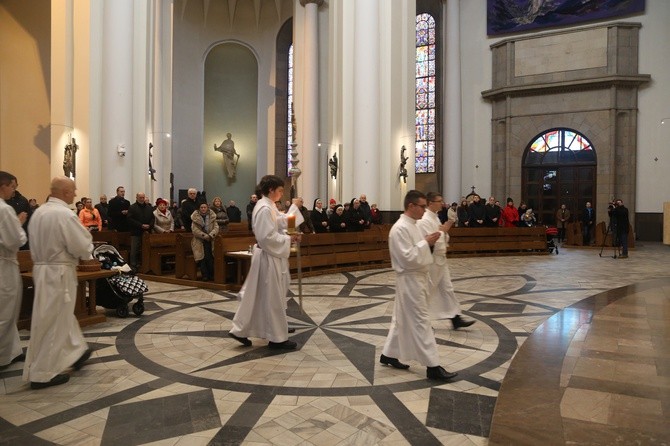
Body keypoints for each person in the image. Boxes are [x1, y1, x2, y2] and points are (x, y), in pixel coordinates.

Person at [23, 176, 94, 389]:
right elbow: (81, 245)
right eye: (72, 190)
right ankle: (43, 373)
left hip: (42, 269)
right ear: (64, 192)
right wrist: (87, 250)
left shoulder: (40, 212)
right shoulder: (64, 214)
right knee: (53, 322)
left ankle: (77, 351)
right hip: (59, 271)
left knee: (56, 317)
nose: (75, 193)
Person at [380, 190, 458, 381]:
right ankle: (433, 366)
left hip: (418, 278)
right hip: (409, 279)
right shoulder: (399, 229)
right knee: (421, 321)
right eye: (422, 206)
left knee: (402, 319)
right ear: (411, 206)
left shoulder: (412, 225)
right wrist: (426, 243)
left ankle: (389, 354)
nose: (425, 210)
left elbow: (419, 252)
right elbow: (407, 258)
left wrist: (428, 243)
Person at [228, 175, 302, 350]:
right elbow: (266, 236)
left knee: (261, 297)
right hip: (268, 257)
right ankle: (277, 338)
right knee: (271, 298)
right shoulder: (263, 208)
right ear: (271, 190)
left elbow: (280, 221)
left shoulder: (269, 206)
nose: (282, 193)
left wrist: (293, 210)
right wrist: (288, 239)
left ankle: (246, 330)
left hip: (271, 257)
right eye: (280, 190)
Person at [418, 192, 476, 330]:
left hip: (441, 260)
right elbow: (429, 240)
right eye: (439, 201)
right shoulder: (425, 219)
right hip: (432, 260)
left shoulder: (435, 217)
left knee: (447, 289)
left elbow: (442, 236)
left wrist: (444, 232)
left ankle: (455, 318)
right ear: (431, 203)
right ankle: (422, 320)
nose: (442, 203)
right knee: (428, 290)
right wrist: (443, 232)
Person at [0, 171, 28, 368]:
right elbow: (16, 240)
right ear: (3, 187)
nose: (13, 191)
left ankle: (12, 351)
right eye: (12, 187)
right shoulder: (4, 210)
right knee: (6, 311)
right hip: (4, 264)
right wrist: (19, 224)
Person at [127, 192, 155, 270]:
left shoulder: (149, 207)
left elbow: (153, 218)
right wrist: (140, 225)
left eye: (143, 197)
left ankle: (145, 265)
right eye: (140, 197)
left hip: (147, 232)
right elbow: (130, 219)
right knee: (134, 249)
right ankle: (133, 266)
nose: (142, 199)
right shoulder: (132, 207)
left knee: (146, 249)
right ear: (137, 198)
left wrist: (150, 225)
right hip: (136, 232)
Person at [191, 202, 219, 280]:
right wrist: (204, 235)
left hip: (210, 240)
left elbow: (216, 228)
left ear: (207, 208)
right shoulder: (195, 217)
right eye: (201, 207)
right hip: (199, 241)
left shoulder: (212, 217)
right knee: (202, 258)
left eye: (204, 207)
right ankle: (205, 275)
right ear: (199, 209)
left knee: (210, 257)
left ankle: (211, 274)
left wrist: (210, 235)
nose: (203, 209)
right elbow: (195, 230)